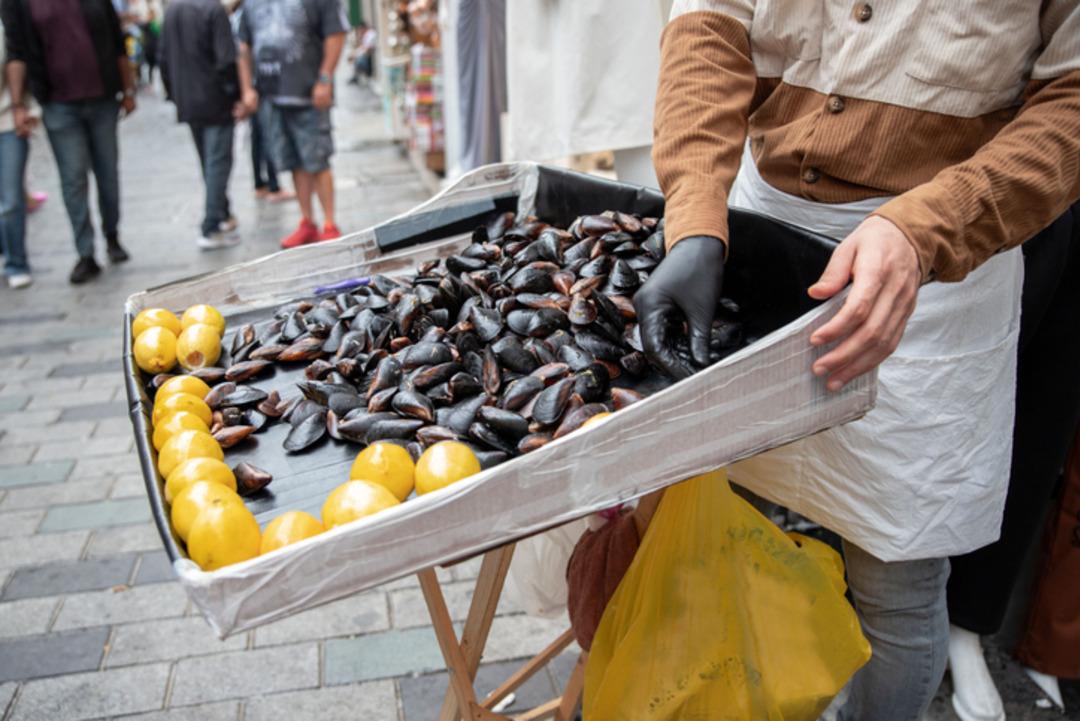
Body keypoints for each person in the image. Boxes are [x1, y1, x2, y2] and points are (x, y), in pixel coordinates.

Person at [632, 3, 1080, 719]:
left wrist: (926, 228)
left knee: (897, 585)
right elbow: (708, 25)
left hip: (935, 274)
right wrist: (694, 217)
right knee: (726, 521)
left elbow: (1073, 99)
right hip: (754, 234)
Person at [1, 0, 134, 284]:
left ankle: (112, 236)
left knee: (107, 172)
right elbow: (17, 51)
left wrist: (129, 88)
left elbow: (116, 38)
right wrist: (18, 105)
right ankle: (85, 252)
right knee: (73, 179)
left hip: (102, 98)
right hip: (59, 104)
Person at [236, 0, 347, 249]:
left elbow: (336, 34)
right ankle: (307, 221)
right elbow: (243, 46)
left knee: (317, 158)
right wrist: (247, 88)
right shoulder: (251, 4)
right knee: (293, 160)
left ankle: (330, 223)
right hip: (272, 96)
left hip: (309, 94)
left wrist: (325, 79)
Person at [160, 0, 242, 251]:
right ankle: (210, 225)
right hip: (215, 100)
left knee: (209, 161)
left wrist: (175, 94)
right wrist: (235, 95)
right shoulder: (213, 9)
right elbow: (226, 59)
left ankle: (224, 213)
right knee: (217, 162)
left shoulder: (172, 10)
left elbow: (163, 59)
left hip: (188, 100)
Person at [0, 16, 36, 288]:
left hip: (6, 123)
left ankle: (16, 262)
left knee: (12, 199)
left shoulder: (5, 30)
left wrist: (21, 107)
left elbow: (18, 61)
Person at [348, 21, 376, 86]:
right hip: (365, 54)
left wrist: (356, 54)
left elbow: (368, 48)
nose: (359, 32)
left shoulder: (370, 35)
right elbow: (363, 47)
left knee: (357, 60)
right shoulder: (366, 35)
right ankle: (355, 76)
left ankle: (358, 76)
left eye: (360, 30)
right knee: (353, 58)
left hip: (368, 56)